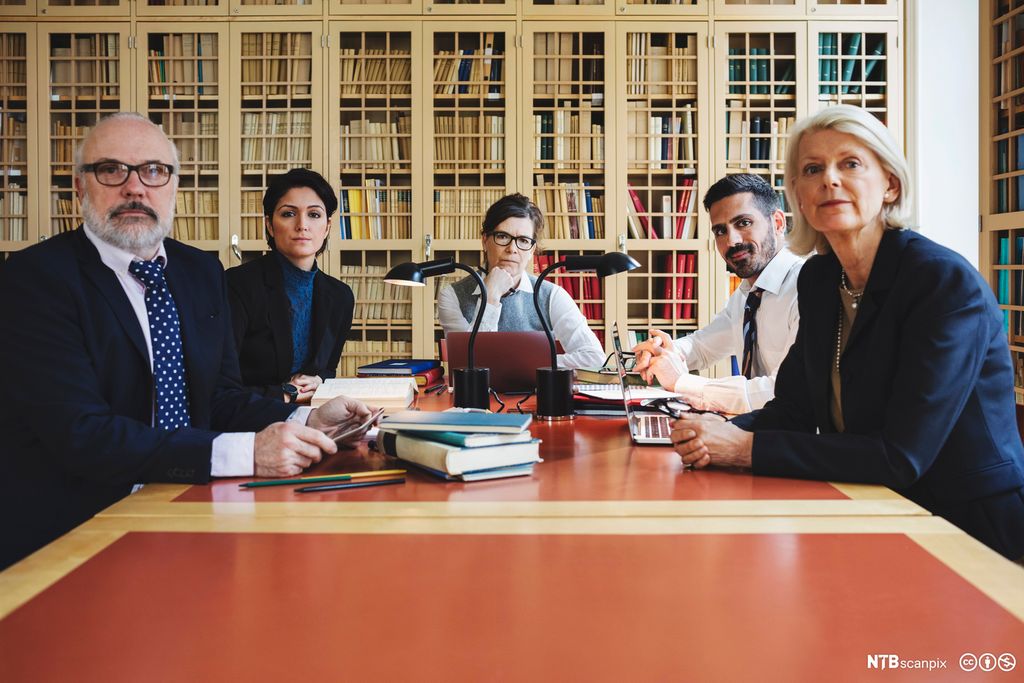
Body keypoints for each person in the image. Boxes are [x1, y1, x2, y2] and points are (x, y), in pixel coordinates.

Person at [0, 113, 375, 569]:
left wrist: (306, 417)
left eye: (154, 171)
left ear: (174, 186)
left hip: (192, 502)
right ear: (80, 186)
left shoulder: (198, 272)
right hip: (79, 527)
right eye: (111, 170)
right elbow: (81, 434)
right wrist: (244, 452)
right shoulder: (33, 280)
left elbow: (217, 398)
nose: (135, 188)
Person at [671, 105, 1024, 561]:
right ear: (797, 197)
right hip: (869, 507)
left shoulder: (940, 281)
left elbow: (902, 456)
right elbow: (794, 410)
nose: (829, 180)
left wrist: (745, 448)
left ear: (890, 184)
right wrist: (709, 433)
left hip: (970, 530)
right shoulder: (820, 279)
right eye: (812, 169)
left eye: (850, 164)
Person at [632, 174, 803, 414]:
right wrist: (666, 351)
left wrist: (683, 382)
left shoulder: (805, 288)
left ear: (777, 223)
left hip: (794, 441)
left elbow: (782, 390)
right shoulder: (747, 293)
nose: (731, 241)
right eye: (720, 231)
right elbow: (704, 346)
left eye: (743, 223)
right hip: (756, 431)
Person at [226, 169, 354, 405]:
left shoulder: (340, 296)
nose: (302, 225)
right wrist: (286, 393)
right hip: (252, 416)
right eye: (288, 214)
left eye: (314, 215)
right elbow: (222, 382)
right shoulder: (237, 285)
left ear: (326, 227)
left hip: (312, 411)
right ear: (270, 226)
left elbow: (327, 369)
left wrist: (319, 381)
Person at [437, 192, 605, 370]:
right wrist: (491, 296)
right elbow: (469, 366)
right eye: (502, 237)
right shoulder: (452, 296)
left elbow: (594, 358)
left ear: (532, 250)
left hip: (538, 396)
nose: (512, 249)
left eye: (523, 240)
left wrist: (530, 365)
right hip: (477, 397)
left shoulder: (551, 295)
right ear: (485, 241)